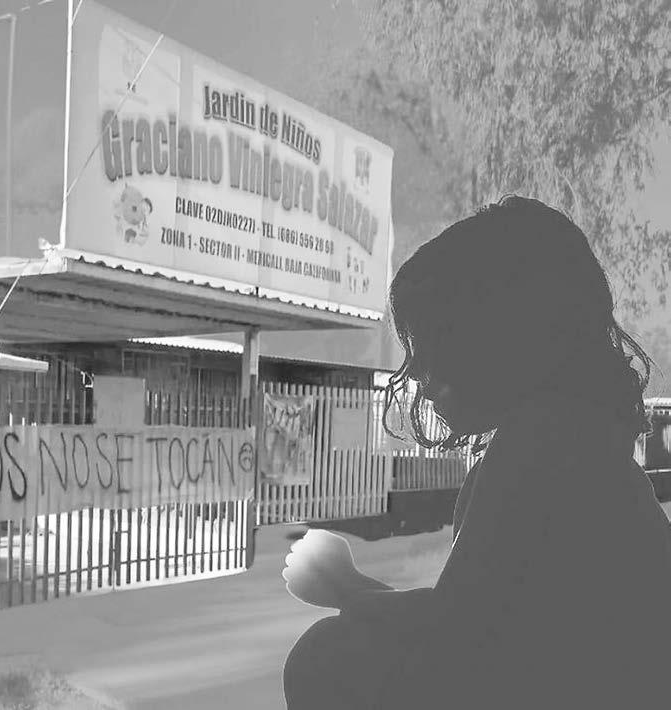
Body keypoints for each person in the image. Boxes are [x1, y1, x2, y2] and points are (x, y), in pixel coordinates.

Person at [282, 196, 671, 709]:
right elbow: (483, 618)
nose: (419, 377)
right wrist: (353, 588)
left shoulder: (543, 449)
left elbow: (462, 635)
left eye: (433, 347)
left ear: (502, 339)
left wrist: (346, 588)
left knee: (327, 656)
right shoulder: (579, 443)